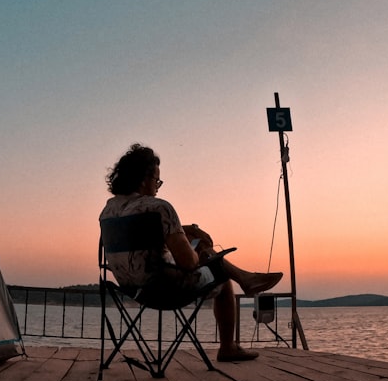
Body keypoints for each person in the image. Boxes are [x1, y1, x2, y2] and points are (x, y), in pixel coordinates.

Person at [99, 143, 283, 362]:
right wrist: (198, 252)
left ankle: (246, 277)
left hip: (131, 288)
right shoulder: (159, 207)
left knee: (204, 252)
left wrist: (181, 231)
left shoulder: (108, 212)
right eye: (157, 180)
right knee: (221, 278)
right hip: (165, 289)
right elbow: (187, 263)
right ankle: (228, 346)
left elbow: (140, 241)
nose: (158, 187)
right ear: (143, 179)